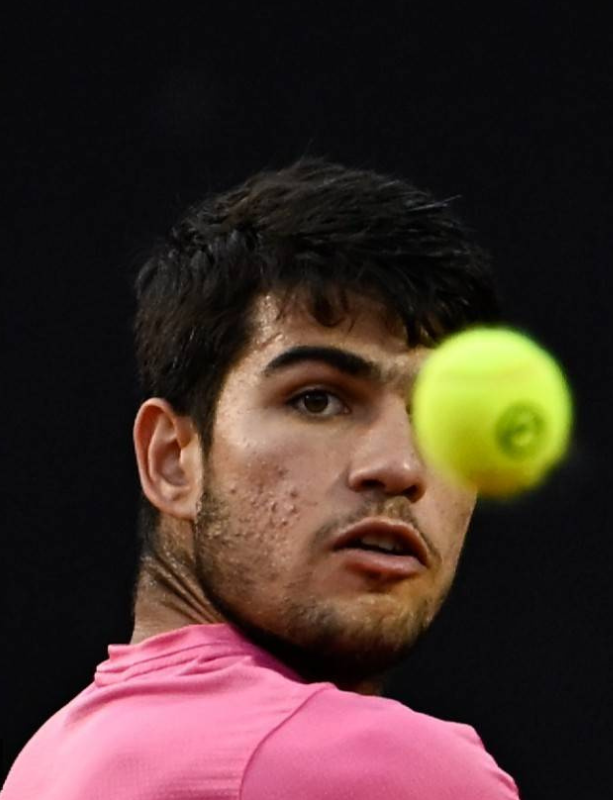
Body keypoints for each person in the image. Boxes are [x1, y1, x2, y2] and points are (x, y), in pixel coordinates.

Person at [1, 157, 522, 799]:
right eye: (317, 400)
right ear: (173, 460)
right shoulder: (391, 770)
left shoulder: (52, 759)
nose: (400, 467)